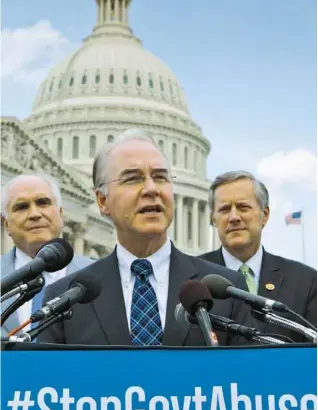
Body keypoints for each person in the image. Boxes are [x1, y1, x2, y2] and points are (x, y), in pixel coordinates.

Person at [40, 129, 251, 346]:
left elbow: (248, 376)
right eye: (133, 179)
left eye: (160, 177)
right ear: (103, 200)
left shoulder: (228, 291)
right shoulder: (65, 299)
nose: (151, 189)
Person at [199, 170, 317, 341]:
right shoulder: (191, 278)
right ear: (214, 219)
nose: (234, 217)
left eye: (243, 207)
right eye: (225, 209)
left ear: (265, 215)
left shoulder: (305, 281)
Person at [1, 174, 93, 336]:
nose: (35, 214)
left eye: (43, 202)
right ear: (6, 224)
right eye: (22, 207)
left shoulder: (98, 275)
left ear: (61, 214)